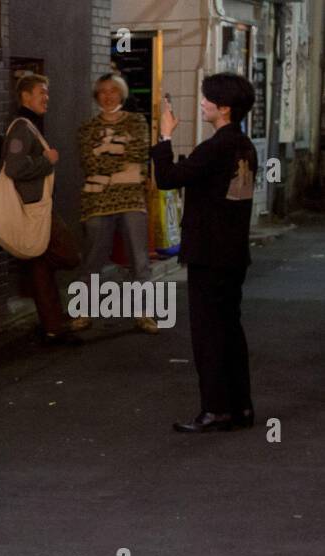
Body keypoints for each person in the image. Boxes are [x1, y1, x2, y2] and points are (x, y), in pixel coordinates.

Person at [151, 73, 258, 433]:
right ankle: (240, 407)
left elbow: (167, 178)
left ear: (224, 108)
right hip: (233, 254)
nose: (202, 102)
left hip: (208, 254)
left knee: (208, 334)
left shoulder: (215, 147)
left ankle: (215, 409)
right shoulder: (245, 145)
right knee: (230, 329)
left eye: (207, 98)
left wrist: (165, 136)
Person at [4, 73, 85, 345]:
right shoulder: (21, 128)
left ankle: (53, 327)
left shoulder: (30, 126)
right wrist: (47, 161)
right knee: (69, 255)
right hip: (34, 210)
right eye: (42, 92)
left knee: (40, 266)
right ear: (26, 96)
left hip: (37, 208)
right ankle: (53, 324)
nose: (47, 98)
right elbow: (14, 168)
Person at [78, 72, 158, 333]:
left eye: (113, 90)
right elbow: (90, 163)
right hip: (96, 201)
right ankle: (84, 311)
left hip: (130, 199)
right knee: (92, 259)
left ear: (121, 93)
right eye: (103, 91)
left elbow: (138, 158)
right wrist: (121, 167)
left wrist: (107, 169)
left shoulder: (136, 122)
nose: (108, 96)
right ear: (96, 96)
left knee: (139, 258)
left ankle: (144, 312)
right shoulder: (87, 128)